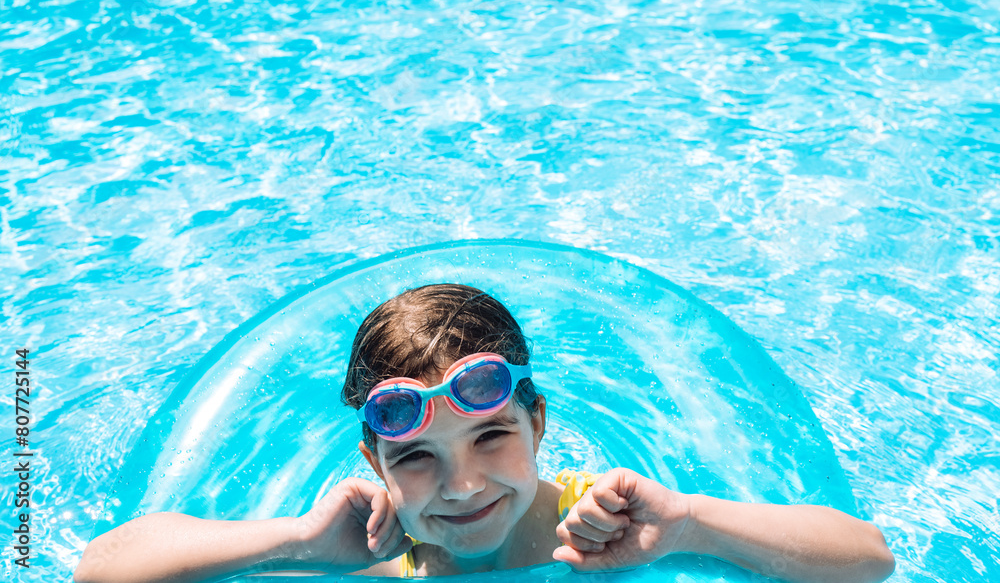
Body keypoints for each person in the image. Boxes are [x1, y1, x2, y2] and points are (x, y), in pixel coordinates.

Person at [74, 283, 895, 583]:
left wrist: (688, 523)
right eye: (416, 457)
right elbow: (99, 569)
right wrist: (296, 541)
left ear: (539, 422)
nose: (462, 484)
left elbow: (869, 557)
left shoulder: (605, 520)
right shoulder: (374, 547)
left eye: (492, 437)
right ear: (374, 462)